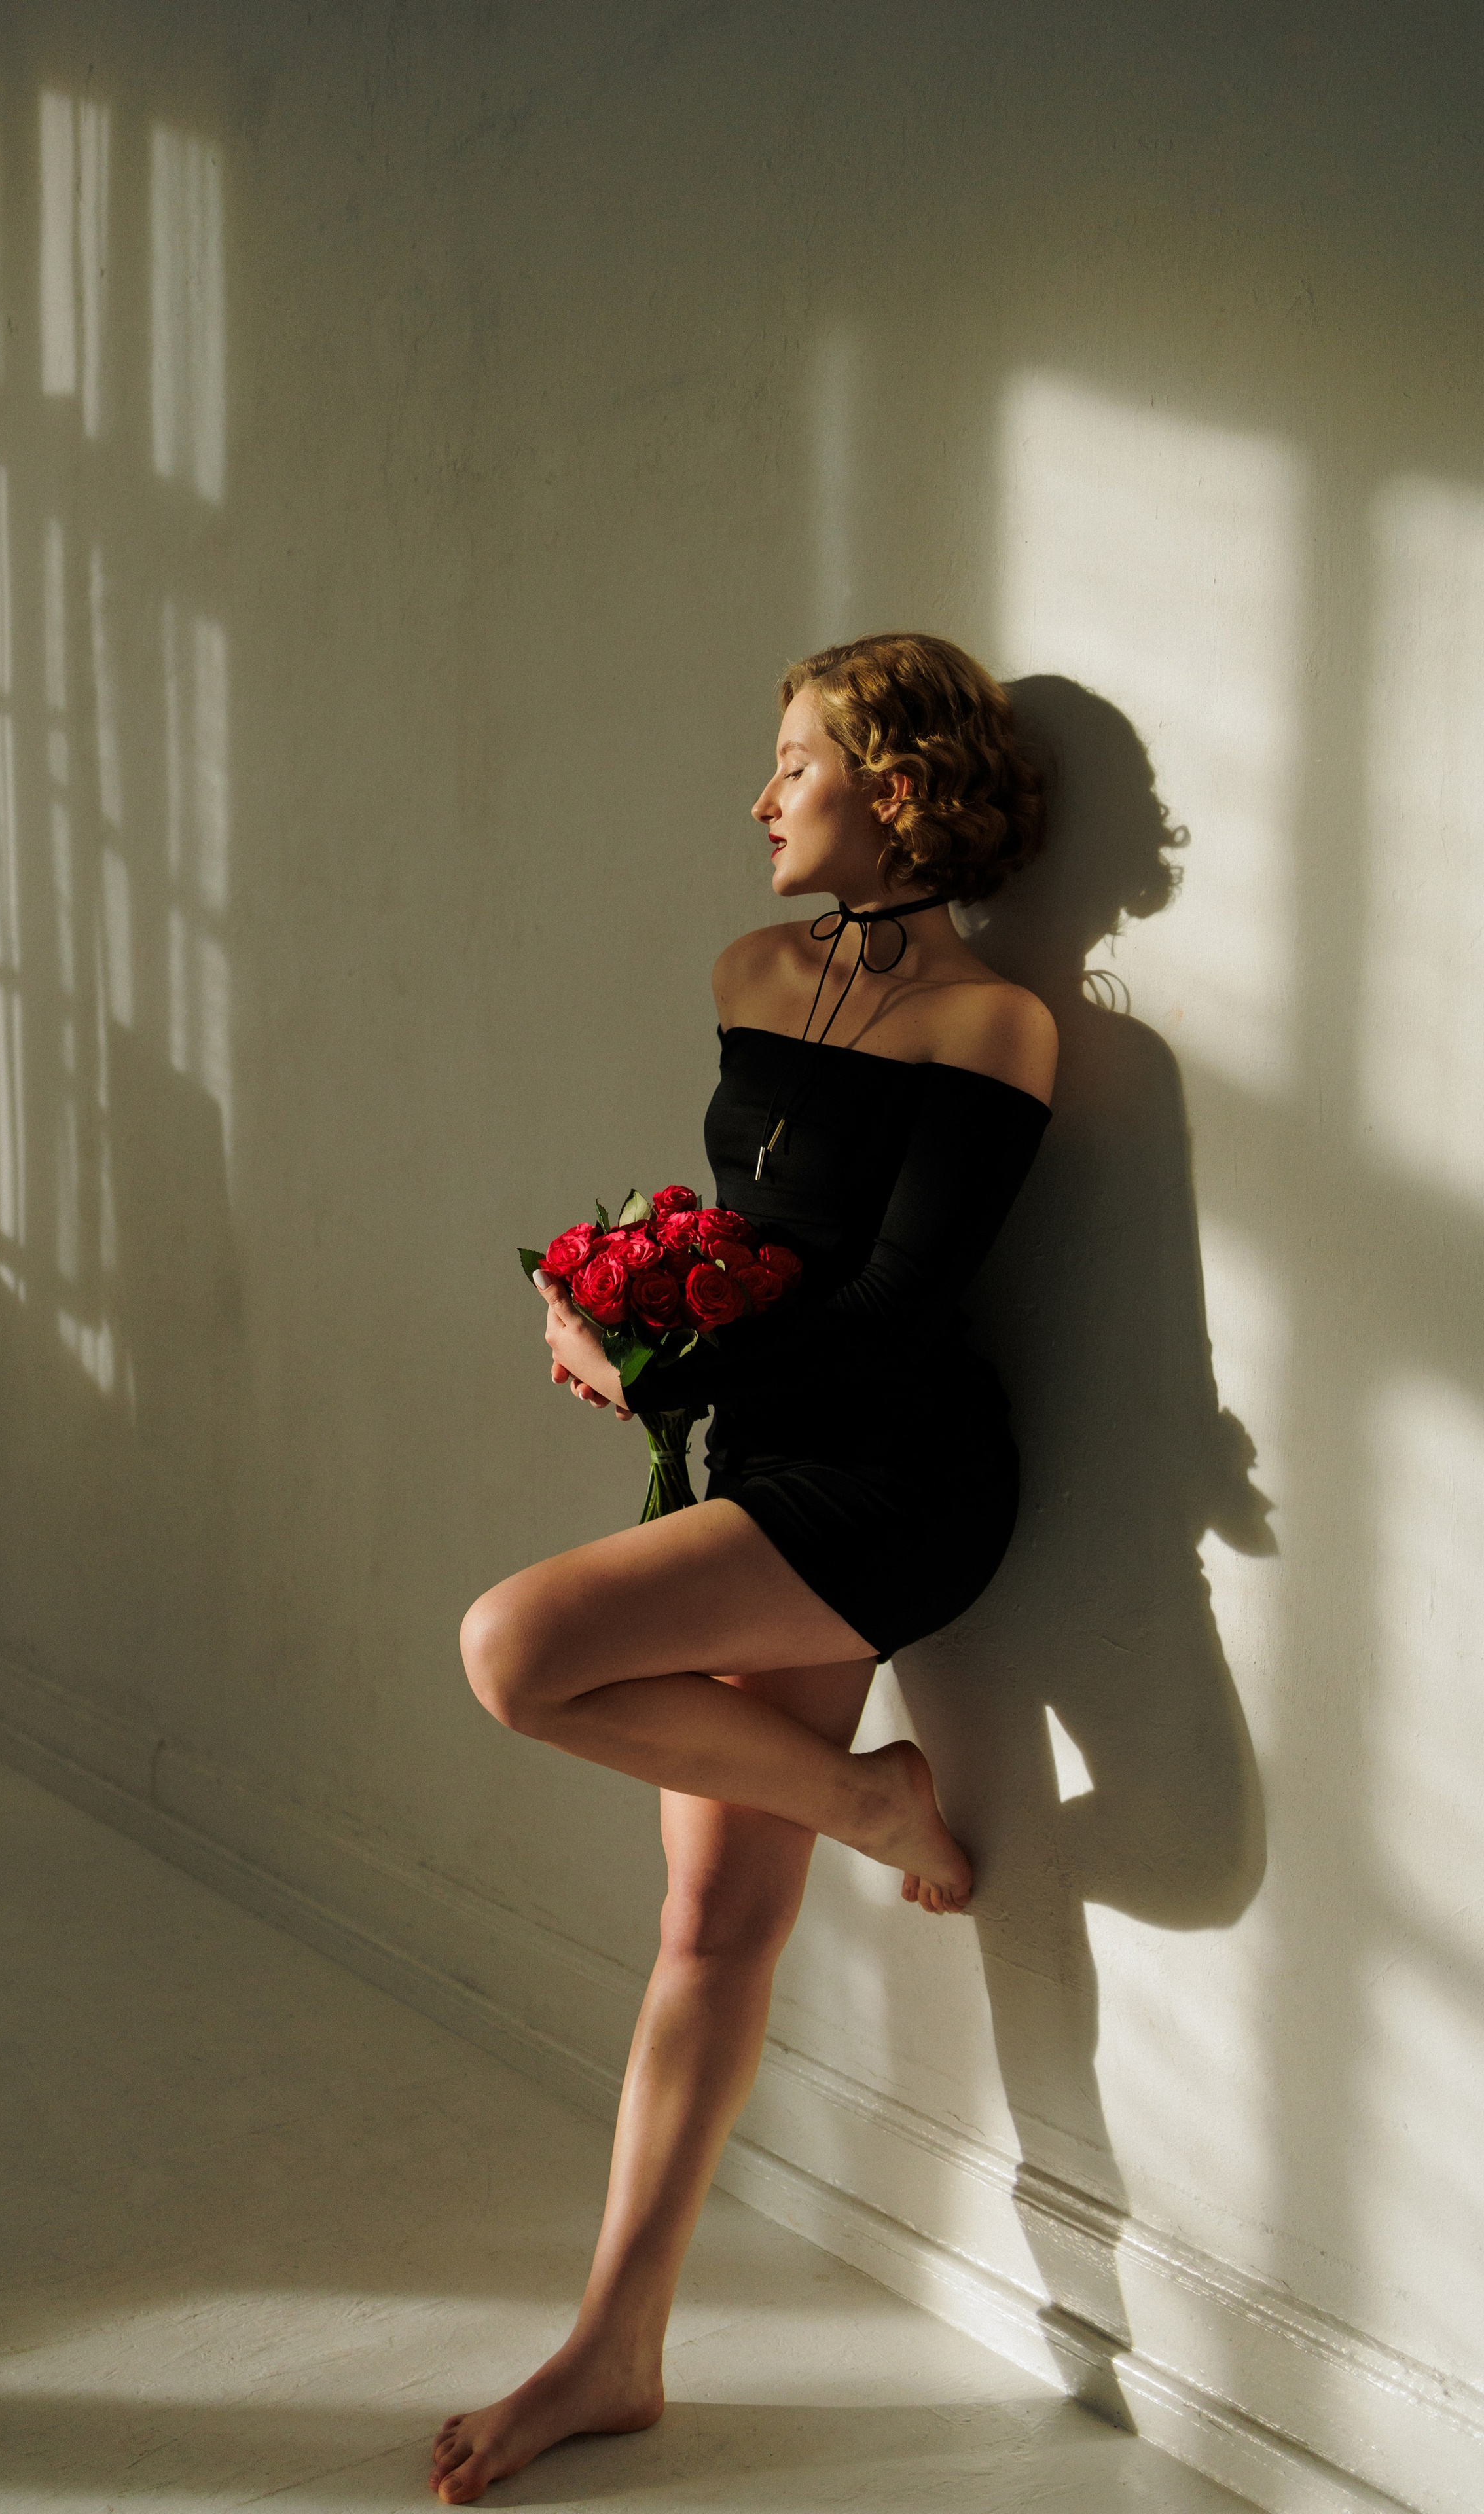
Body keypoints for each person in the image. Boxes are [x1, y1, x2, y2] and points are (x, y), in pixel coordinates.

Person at [431, 632, 1057, 2505]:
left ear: (896, 783)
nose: (762, 795)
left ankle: (877, 1803)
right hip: (765, 1450)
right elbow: (762, 1220)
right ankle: (617, 2349)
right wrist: (612, 1281)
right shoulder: (756, 972)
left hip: (899, 1477)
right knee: (708, 1927)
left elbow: (895, 1303)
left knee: (514, 1647)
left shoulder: (994, 1026)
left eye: (795, 761)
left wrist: (660, 1359)